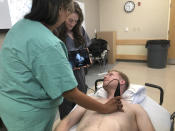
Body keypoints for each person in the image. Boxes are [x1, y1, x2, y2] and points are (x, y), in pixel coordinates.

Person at [0, 1, 122, 131]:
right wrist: (103, 107)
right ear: (59, 9)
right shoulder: (48, 43)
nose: (68, 18)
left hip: (9, 106)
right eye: (67, 12)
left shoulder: (20, 27)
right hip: (27, 117)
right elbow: (70, 93)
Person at [55, 70, 155, 131]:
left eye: (110, 75)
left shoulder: (135, 108)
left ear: (122, 82)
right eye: (106, 75)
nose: (105, 76)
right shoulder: (90, 101)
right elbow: (66, 122)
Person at [54, 2, 91, 119]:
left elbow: (86, 48)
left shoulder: (80, 30)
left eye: (76, 21)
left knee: (81, 112)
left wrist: (86, 57)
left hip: (80, 77)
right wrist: (74, 60)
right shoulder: (54, 32)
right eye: (70, 20)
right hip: (65, 82)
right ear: (64, 15)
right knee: (68, 116)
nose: (73, 24)